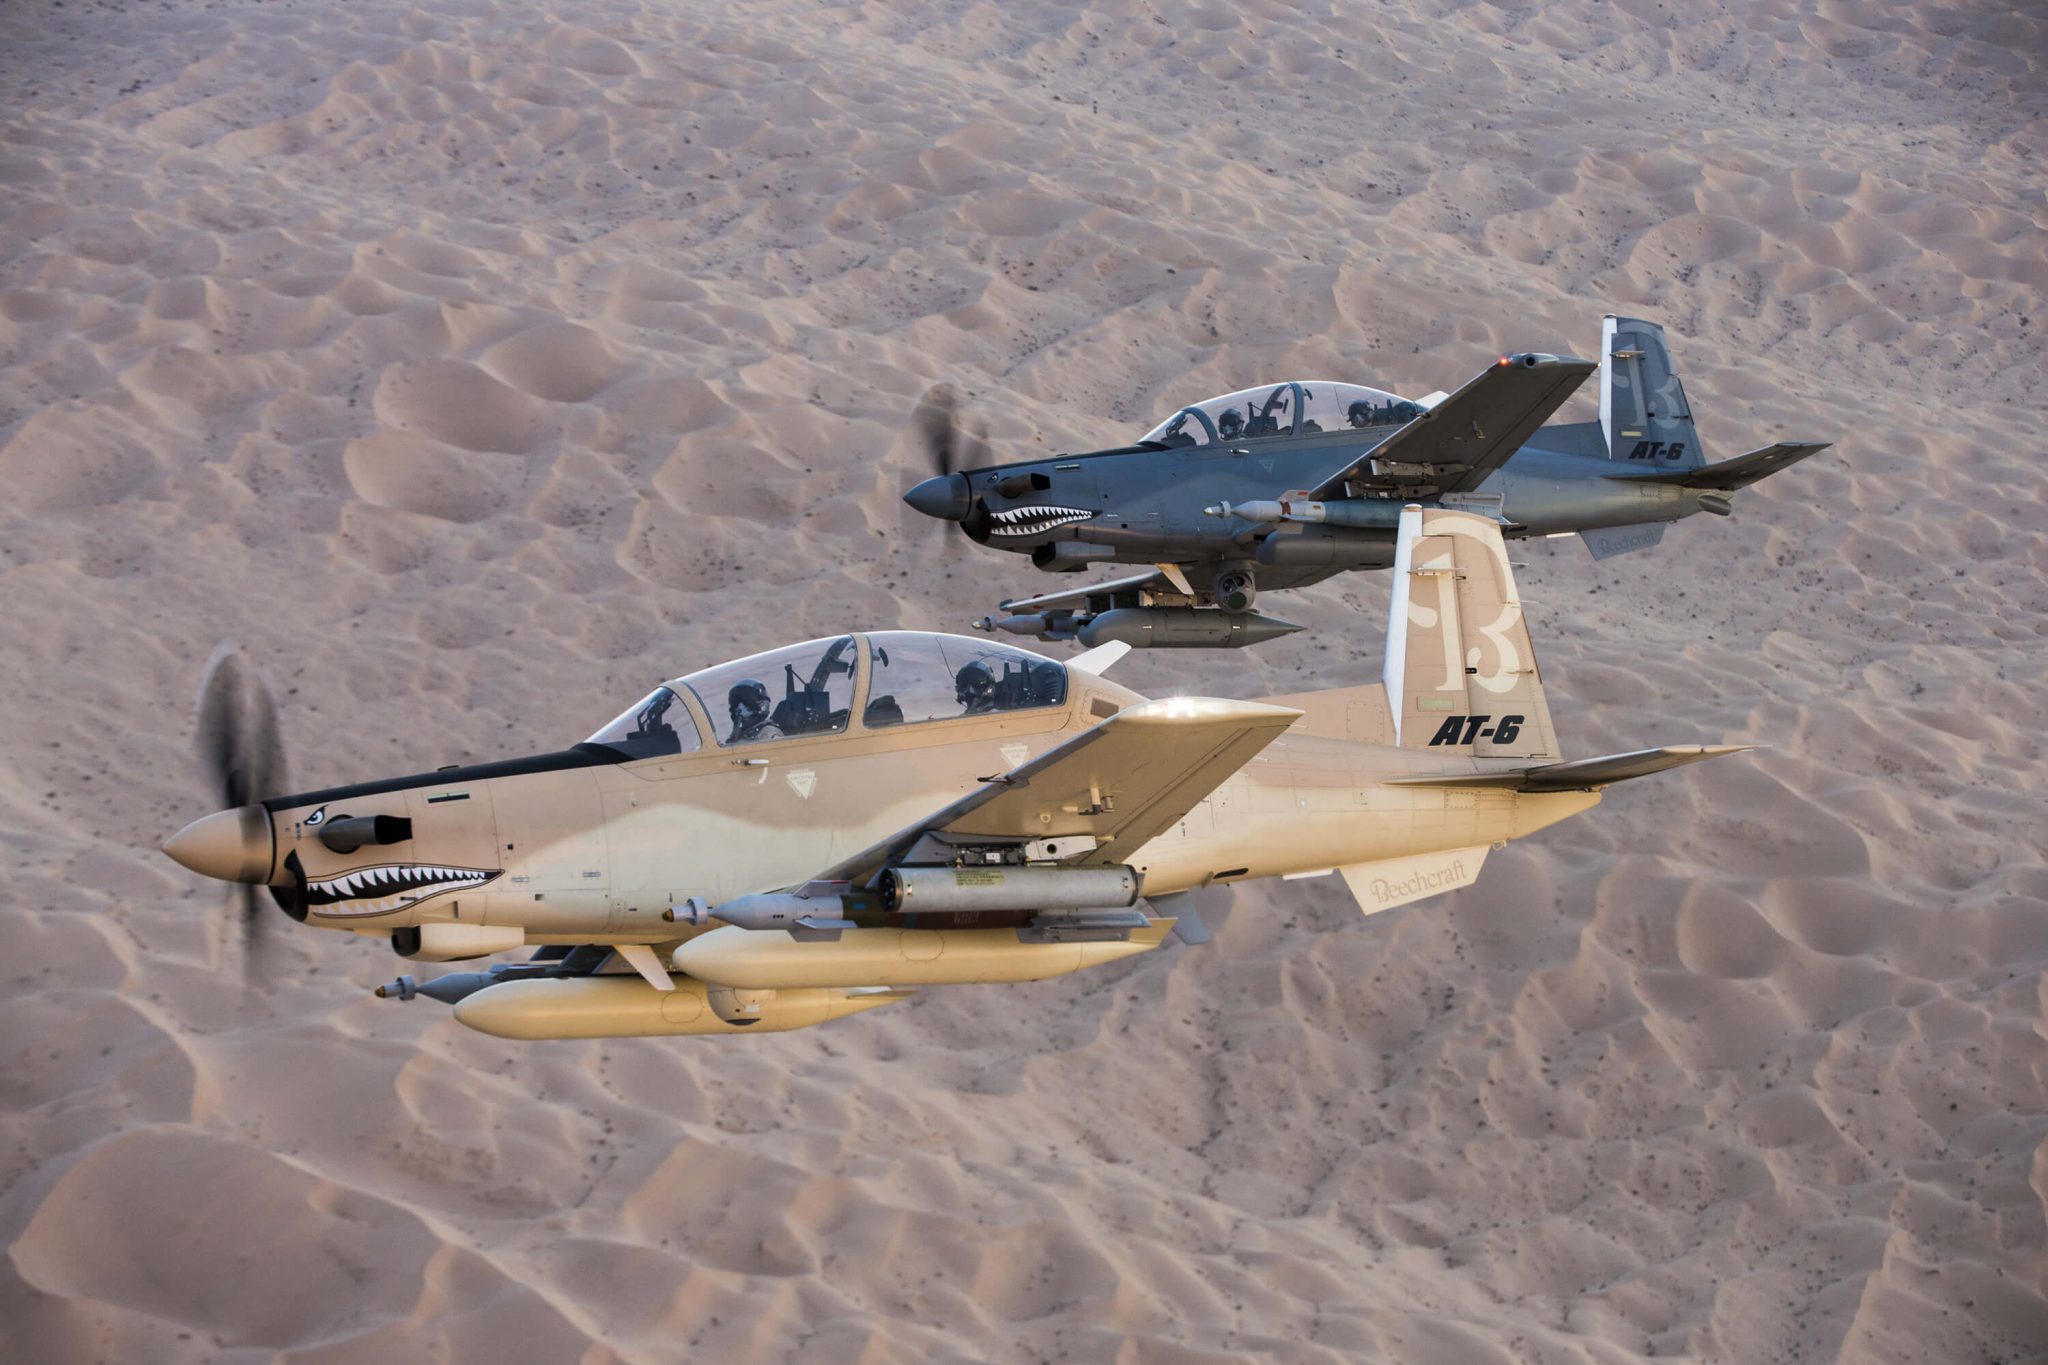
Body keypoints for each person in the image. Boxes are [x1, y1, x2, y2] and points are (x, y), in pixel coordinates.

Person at [726, 678, 782, 744]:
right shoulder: (740, 735)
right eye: (736, 703)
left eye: (746, 701)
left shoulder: (769, 733)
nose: (739, 707)